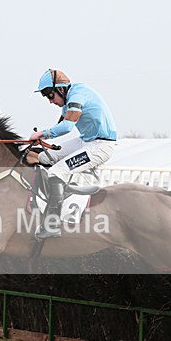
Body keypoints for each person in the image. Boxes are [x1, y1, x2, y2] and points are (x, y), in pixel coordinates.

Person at [27, 69, 117, 239]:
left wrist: (42, 134)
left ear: (61, 89)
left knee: (56, 172)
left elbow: (67, 127)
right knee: (44, 157)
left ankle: (53, 224)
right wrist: (42, 138)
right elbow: (59, 126)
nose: (50, 101)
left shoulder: (77, 95)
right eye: (46, 97)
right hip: (86, 141)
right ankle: (54, 195)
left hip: (101, 146)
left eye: (50, 95)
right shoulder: (68, 100)